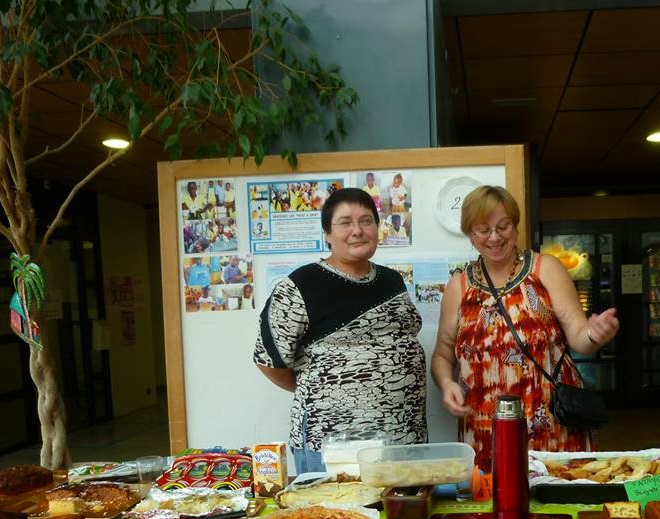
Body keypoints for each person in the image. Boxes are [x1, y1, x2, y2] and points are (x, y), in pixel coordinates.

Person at [431, 185, 620, 472]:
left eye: (503, 226)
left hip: (551, 426)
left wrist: (596, 334)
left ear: (516, 226)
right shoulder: (459, 287)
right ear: (470, 234)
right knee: (491, 511)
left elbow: (580, 338)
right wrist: (446, 385)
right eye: (483, 230)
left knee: (557, 506)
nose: (494, 237)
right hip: (484, 428)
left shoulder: (545, 269)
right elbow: (442, 355)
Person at [254, 187, 428, 472]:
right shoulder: (300, 285)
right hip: (334, 446)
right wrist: (324, 389)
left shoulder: (392, 280)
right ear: (327, 234)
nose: (357, 230)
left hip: (403, 436)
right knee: (336, 515)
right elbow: (269, 361)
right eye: (345, 222)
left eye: (366, 221)